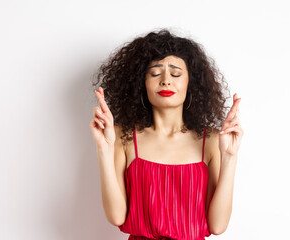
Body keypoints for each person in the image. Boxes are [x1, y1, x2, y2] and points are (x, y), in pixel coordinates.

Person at [89, 29, 243, 240]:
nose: (165, 80)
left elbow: (218, 226)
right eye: (154, 73)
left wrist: (230, 157)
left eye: (176, 73)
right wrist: (104, 149)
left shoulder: (213, 140)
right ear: (141, 83)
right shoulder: (123, 137)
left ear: (191, 82)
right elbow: (116, 216)